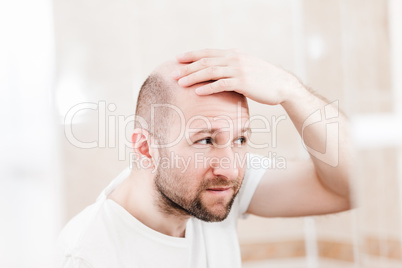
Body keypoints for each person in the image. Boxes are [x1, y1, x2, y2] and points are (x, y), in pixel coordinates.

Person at [57, 49, 351, 267]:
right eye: (205, 140)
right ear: (146, 149)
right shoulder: (89, 255)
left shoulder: (215, 185)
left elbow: (351, 186)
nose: (231, 168)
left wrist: (291, 91)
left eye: (240, 139)